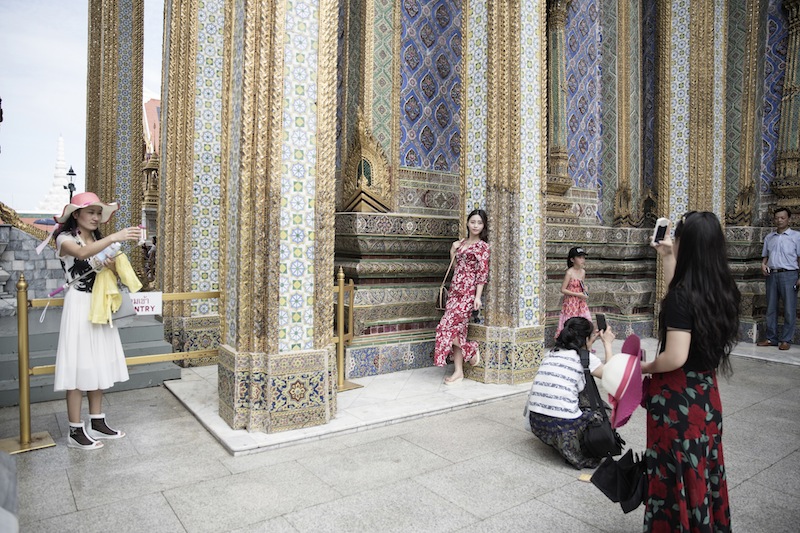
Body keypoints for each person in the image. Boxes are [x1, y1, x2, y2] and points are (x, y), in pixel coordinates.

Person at [642, 211, 739, 532]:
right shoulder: (722, 290)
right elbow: (681, 298)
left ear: (688, 244)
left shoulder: (683, 298)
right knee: (701, 467)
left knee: (674, 473)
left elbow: (675, 356)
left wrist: (643, 367)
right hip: (706, 398)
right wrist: (667, 256)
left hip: (679, 402)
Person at [52, 192, 144, 450]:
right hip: (79, 304)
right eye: (90, 212)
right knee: (78, 365)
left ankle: (97, 421)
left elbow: (111, 270)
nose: (95, 217)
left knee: (98, 362)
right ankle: (75, 430)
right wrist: (114, 238)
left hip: (100, 303)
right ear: (76, 214)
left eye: (98, 213)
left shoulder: (99, 240)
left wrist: (112, 263)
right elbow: (82, 253)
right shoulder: (64, 238)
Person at [525, 316, 615, 469]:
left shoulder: (551, 353)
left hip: (537, 424)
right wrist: (607, 343)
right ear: (586, 338)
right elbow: (612, 376)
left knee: (575, 387)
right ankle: (573, 444)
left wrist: (587, 343)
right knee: (606, 415)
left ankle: (559, 441)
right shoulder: (584, 357)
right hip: (563, 428)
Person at [434, 209, 490, 384]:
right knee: (457, 330)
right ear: (467, 223)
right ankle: (459, 371)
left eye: (479, 223)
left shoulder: (483, 247)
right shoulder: (462, 243)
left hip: (467, 293)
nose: (475, 226)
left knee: (444, 328)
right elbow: (456, 267)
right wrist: (453, 250)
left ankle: (471, 350)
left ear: (483, 226)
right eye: (473, 222)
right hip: (454, 291)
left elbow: (482, 274)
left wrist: (477, 297)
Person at [758, 207, 800, 350]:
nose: (779, 220)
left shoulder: (796, 236)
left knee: (789, 308)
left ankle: (786, 340)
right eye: (777, 218)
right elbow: (765, 257)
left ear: (789, 219)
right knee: (771, 307)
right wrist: (763, 265)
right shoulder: (769, 237)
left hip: (789, 274)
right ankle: (771, 338)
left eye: (782, 218)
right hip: (772, 274)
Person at [555, 246, 591, 336]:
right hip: (570, 301)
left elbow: (582, 284)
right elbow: (563, 289)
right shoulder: (569, 272)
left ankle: (583, 340)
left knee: (585, 320)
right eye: (579, 257)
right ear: (572, 259)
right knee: (571, 322)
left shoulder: (583, 272)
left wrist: (585, 289)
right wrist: (577, 294)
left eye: (583, 257)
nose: (582, 260)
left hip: (580, 301)